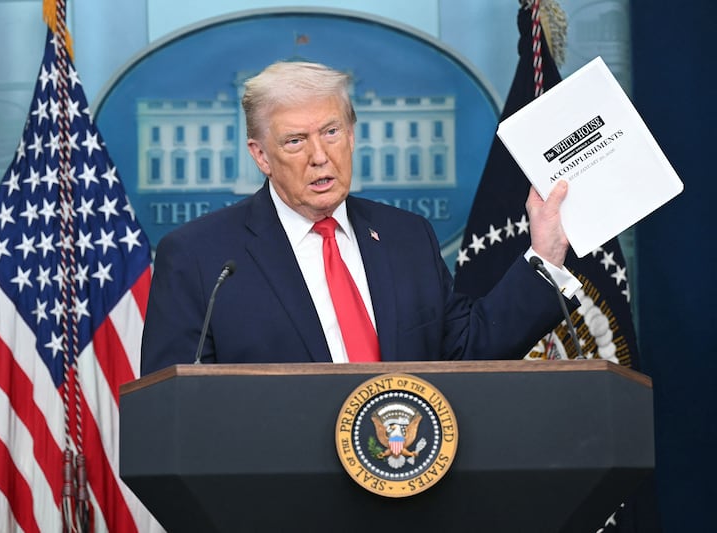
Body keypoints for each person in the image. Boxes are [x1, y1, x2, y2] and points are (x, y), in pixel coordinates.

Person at [140, 60, 580, 374]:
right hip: (278, 499)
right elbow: (177, 413)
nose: (319, 156)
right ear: (261, 156)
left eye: (331, 132)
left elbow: (468, 351)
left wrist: (546, 252)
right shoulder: (200, 257)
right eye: (295, 141)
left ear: (351, 135)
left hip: (409, 481)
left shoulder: (405, 237)